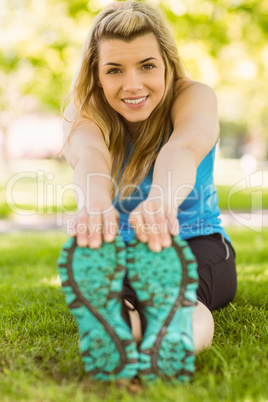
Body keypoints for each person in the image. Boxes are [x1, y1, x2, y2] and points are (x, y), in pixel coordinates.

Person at [57, 0, 237, 383]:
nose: (132, 84)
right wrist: (95, 204)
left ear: (168, 64)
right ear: (97, 74)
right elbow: (89, 156)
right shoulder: (83, 110)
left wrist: (160, 202)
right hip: (121, 246)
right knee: (114, 298)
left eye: (147, 66)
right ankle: (126, 331)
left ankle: (164, 338)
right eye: (114, 70)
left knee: (180, 298)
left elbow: (182, 148)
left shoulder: (194, 97)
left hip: (195, 241)